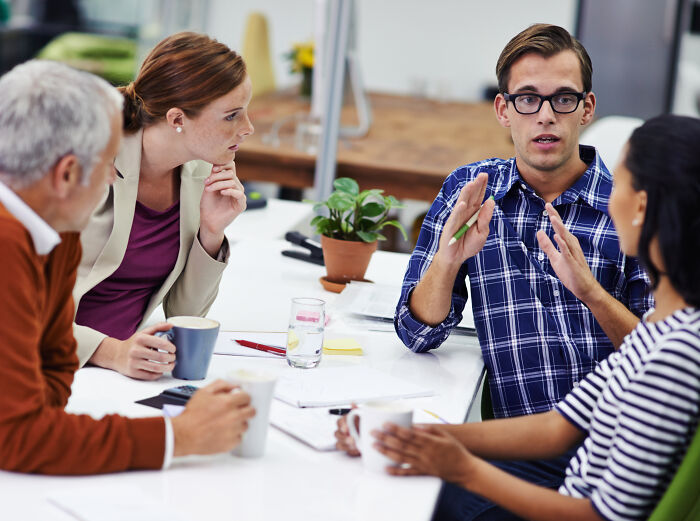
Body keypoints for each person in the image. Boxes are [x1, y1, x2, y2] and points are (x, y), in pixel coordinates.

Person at [340, 114, 700, 521]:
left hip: (567, 502)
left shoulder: (675, 354)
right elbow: (556, 428)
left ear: (640, 206)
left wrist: (463, 468)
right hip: (559, 483)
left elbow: (601, 517)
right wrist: (409, 437)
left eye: (619, 179)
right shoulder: (661, 332)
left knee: (402, 498)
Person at [0, 60, 254, 475]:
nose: (114, 178)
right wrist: (180, 436)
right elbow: (20, 438)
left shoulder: (53, 232)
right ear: (66, 174)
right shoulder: (8, 243)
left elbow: (50, 380)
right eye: (108, 166)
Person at [395, 24, 652, 420]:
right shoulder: (471, 192)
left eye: (564, 98)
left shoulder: (633, 210)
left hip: (610, 446)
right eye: (528, 99)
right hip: (516, 444)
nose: (546, 116)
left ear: (587, 107)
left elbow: (662, 363)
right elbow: (417, 334)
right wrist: (446, 263)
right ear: (503, 109)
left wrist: (592, 294)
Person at [73, 32, 254, 380]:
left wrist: (211, 234)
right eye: (232, 115)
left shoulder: (200, 170)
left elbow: (185, 315)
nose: (248, 128)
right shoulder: (87, 160)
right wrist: (111, 352)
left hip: (124, 369)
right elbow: (18, 306)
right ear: (176, 119)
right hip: (49, 363)